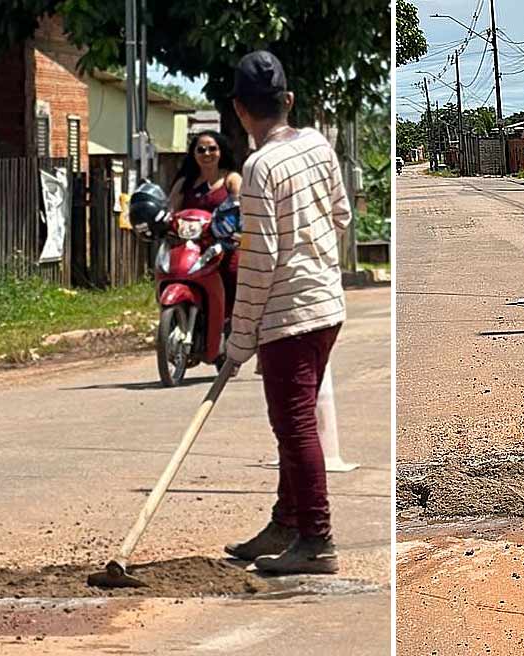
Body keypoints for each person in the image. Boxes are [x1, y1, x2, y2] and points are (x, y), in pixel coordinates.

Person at [222, 50, 352, 575]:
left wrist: (237, 342)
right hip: (327, 304)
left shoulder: (258, 167)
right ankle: (286, 521)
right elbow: (341, 214)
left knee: (294, 424)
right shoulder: (318, 145)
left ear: (239, 109)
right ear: (289, 101)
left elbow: (259, 262)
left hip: (289, 316)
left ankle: (316, 538)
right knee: (295, 421)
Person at [168, 131, 243, 318]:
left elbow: (242, 206)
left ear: (221, 152)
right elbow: (171, 211)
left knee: (234, 272)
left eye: (212, 149)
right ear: (193, 154)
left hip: (224, 246)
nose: (206, 153)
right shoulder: (184, 183)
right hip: (190, 246)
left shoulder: (231, 179)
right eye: (201, 149)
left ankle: (232, 321)